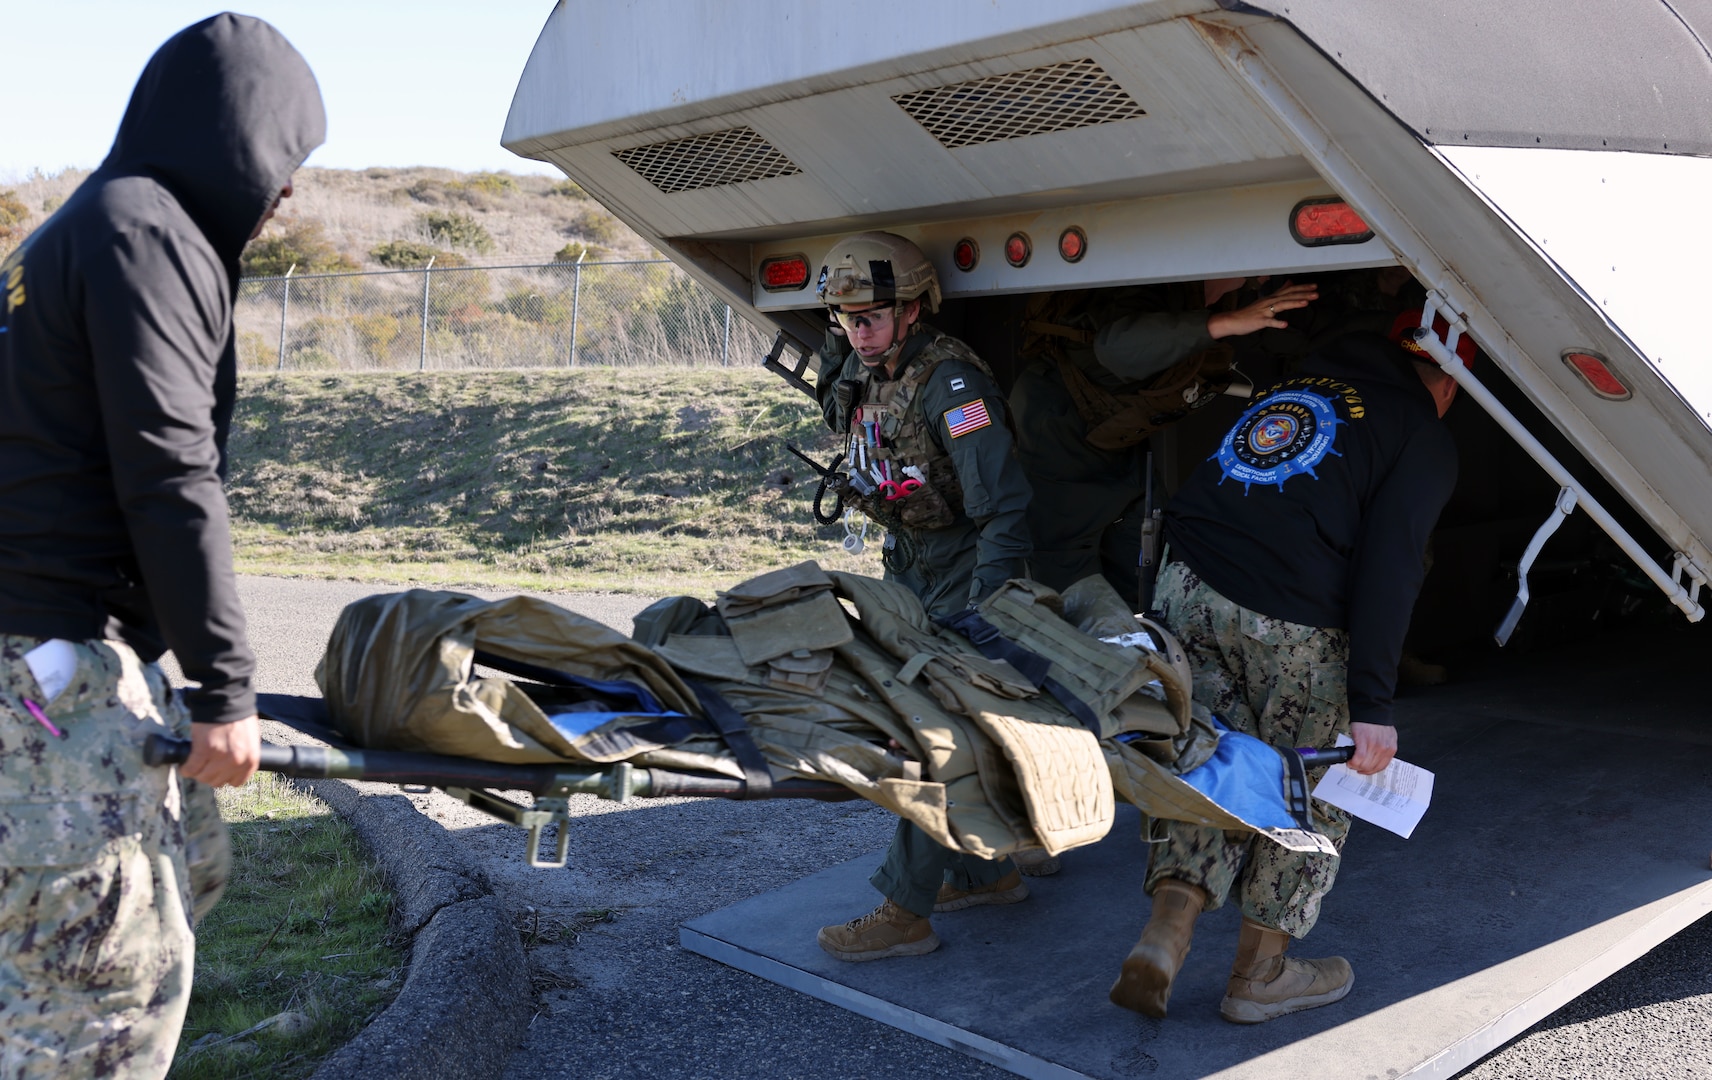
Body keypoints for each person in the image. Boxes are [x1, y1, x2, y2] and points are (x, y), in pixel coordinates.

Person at [0, 15, 324, 1078]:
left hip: (45, 660)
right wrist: (228, 693)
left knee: (191, 865)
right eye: (286, 158)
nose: (290, 193)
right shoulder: (149, 234)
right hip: (59, 670)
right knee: (100, 1008)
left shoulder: (69, 232)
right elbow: (170, 474)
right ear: (239, 136)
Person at [1107, 310, 1469, 1024]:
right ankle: (1260, 975)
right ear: (1450, 382)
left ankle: (1166, 933)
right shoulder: (1422, 436)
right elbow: (1391, 568)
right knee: (1312, 787)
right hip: (1293, 622)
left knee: (1211, 762)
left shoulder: (1296, 388)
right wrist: (1372, 705)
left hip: (1190, 588)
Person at [807, 232, 1036, 961]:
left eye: (872, 317)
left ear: (912, 310)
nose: (859, 332)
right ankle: (985, 871)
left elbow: (1003, 508)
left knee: (932, 738)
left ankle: (904, 910)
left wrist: (989, 606)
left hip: (961, 568)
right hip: (907, 559)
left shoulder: (952, 386)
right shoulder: (863, 365)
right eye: (847, 320)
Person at [1009, 278, 1318, 601]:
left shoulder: (1205, 295)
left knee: (1149, 560)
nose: (1263, 277)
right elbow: (1114, 347)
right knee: (1065, 576)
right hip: (1060, 433)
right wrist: (1224, 324)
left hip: (1118, 437)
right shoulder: (1150, 290)